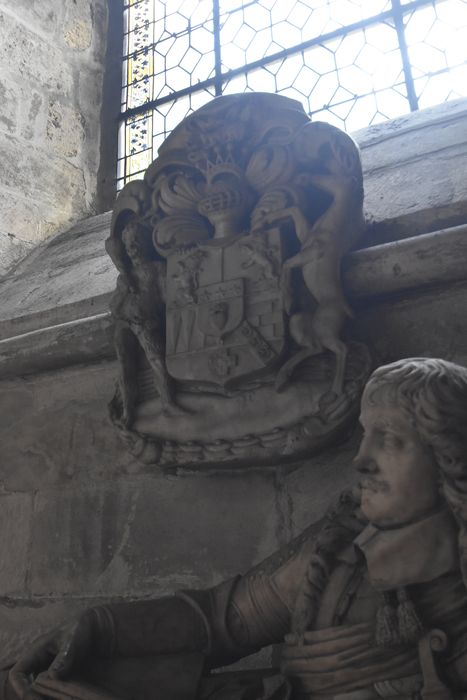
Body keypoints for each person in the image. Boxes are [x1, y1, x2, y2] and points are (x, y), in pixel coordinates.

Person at [6, 358, 467, 700]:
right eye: (365, 434)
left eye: (389, 439)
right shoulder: (340, 545)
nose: (361, 459)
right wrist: (100, 627)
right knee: (46, 687)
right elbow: (228, 619)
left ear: (448, 455)